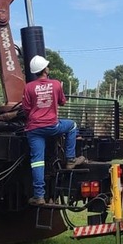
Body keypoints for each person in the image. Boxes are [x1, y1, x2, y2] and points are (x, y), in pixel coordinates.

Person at [21, 55, 85, 205]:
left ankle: (39, 196)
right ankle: (70, 159)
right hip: (52, 126)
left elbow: (26, 109)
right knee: (72, 125)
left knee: (37, 162)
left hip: (34, 129)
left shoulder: (28, 87)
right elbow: (62, 101)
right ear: (45, 69)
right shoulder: (56, 84)